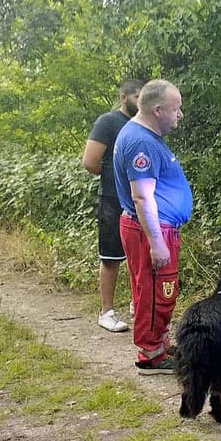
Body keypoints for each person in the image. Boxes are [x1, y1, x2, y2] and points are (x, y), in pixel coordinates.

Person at [113, 79, 192, 375]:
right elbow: (142, 196)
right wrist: (157, 243)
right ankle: (150, 354)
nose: (180, 114)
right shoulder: (141, 141)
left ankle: (157, 342)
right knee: (157, 292)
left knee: (154, 290)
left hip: (155, 227)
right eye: (176, 108)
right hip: (151, 230)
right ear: (158, 110)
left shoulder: (146, 135)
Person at [82, 79, 143, 332]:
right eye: (136, 96)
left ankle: (137, 305)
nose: (141, 102)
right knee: (111, 257)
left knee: (139, 256)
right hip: (112, 200)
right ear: (123, 97)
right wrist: (112, 178)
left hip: (140, 201)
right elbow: (90, 162)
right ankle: (106, 312)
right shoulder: (108, 122)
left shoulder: (145, 124)